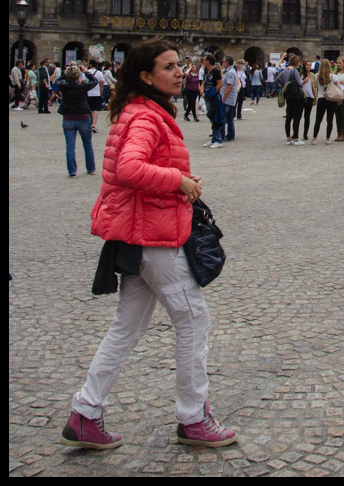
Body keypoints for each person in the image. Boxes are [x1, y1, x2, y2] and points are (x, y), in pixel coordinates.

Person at [60, 39, 237, 451]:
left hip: (138, 234)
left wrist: (180, 181)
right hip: (154, 236)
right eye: (168, 67)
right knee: (193, 321)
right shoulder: (145, 117)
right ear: (145, 76)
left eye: (179, 65)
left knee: (126, 327)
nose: (180, 73)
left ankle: (85, 413)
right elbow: (129, 168)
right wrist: (178, 181)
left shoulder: (141, 110)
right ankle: (193, 418)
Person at [56, 63, 98, 177]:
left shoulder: (63, 86)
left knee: (70, 146)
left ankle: (72, 171)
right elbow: (94, 81)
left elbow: (57, 80)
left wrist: (65, 73)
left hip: (68, 118)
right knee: (87, 144)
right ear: (78, 76)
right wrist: (86, 72)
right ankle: (91, 168)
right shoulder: (82, 86)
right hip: (83, 117)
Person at [277, 55, 305, 144]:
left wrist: (285, 85)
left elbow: (277, 79)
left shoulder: (285, 70)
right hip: (296, 95)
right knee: (297, 117)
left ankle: (288, 138)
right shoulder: (294, 71)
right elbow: (299, 83)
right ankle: (296, 138)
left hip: (288, 95)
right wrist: (304, 81)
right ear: (296, 62)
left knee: (288, 117)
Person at [311, 59, 341, 144]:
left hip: (321, 98)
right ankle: (327, 139)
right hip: (331, 98)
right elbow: (337, 86)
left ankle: (314, 138)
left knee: (318, 119)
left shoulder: (317, 76)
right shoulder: (332, 76)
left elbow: (316, 85)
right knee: (330, 119)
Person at [200, 55, 224, 148]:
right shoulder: (207, 71)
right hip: (207, 96)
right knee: (211, 117)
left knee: (215, 118)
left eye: (205, 60)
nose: (203, 62)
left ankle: (218, 139)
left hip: (214, 98)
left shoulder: (215, 71)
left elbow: (220, 83)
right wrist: (202, 93)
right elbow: (203, 83)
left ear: (209, 61)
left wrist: (213, 92)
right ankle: (214, 138)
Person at [219, 56, 238, 141]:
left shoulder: (230, 72)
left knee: (222, 117)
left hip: (228, 99)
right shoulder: (230, 71)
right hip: (230, 99)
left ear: (227, 63)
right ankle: (230, 134)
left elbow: (229, 86)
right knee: (229, 118)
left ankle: (222, 134)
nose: (223, 63)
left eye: (223, 62)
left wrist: (223, 98)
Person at [300, 59, 318, 142]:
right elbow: (298, 85)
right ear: (304, 66)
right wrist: (304, 81)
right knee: (298, 116)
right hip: (301, 97)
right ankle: (295, 133)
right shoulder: (300, 74)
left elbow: (315, 86)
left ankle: (305, 133)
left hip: (310, 97)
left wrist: (315, 98)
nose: (308, 66)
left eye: (309, 65)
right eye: (307, 65)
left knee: (307, 116)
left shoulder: (312, 75)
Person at [86, 60, 106, 133]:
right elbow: (102, 84)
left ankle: (88, 124)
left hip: (87, 93)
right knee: (95, 110)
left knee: (88, 110)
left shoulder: (86, 72)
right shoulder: (100, 73)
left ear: (90, 65)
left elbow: (83, 82)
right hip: (96, 93)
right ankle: (94, 124)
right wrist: (101, 93)